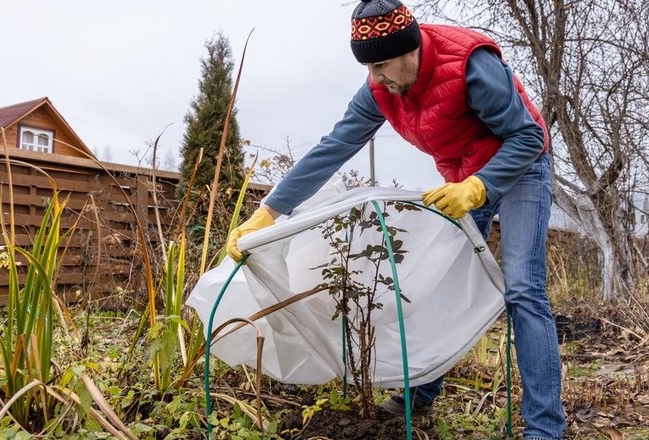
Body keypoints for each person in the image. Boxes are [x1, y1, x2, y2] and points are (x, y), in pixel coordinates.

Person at [226, 0, 565, 438]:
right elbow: (333, 147)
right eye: (368, 68)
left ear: (412, 51)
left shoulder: (470, 65)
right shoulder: (379, 89)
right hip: (461, 175)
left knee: (522, 288)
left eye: (381, 65)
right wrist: (269, 212)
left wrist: (480, 187)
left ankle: (544, 427)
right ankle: (418, 396)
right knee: (441, 284)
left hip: (519, 166)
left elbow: (527, 135)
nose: (375, 78)